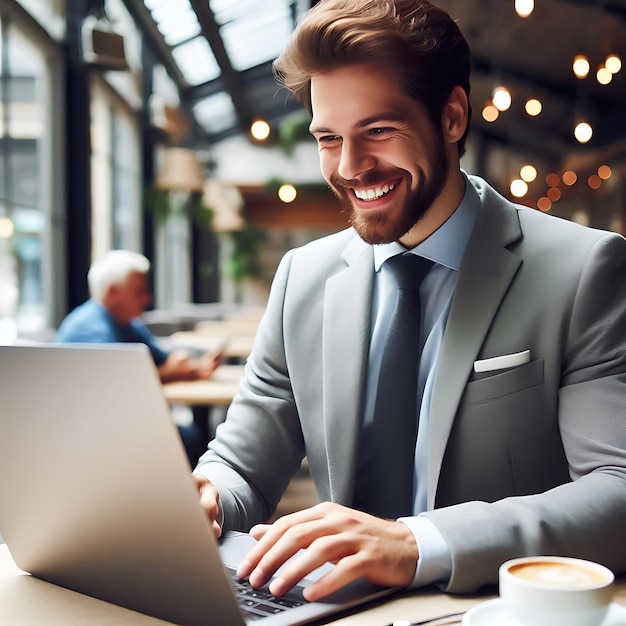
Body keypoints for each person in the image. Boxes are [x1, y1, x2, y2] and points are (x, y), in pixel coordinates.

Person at [192, 0, 626, 603]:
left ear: (451, 117)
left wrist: (419, 542)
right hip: (334, 610)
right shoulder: (303, 279)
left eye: (378, 130)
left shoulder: (584, 270)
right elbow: (241, 466)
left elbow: (618, 489)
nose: (350, 167)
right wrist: (207, 492)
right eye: (328, 138)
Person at [56, 249, 222, 464]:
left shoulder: (127, 323)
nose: (147, 298)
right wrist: (180, 371)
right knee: (185, 438)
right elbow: (125, 384)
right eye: (140, 291)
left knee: (189, 437)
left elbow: (163, 362)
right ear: (113, 292)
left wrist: (194, 367)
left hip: (120, 421)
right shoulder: (88, 328)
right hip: (93, 433)